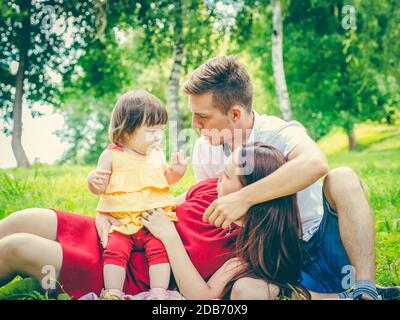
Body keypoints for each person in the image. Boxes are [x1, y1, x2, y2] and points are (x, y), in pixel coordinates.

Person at [184, 55, 379, 299]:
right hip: (272, 261)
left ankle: (365, 289)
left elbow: (315, 163)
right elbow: (202, 203)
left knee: (343, 178)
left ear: (234, 114)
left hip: (322, 245)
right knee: (248, 291)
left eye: (202, 117)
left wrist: (244, 198)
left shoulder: (278, 132)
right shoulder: (204, 148)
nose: (194, 125)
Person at [86, 90, 188, 299]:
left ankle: (158, 292)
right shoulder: (111, 155)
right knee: (114, 251)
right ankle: (113, 292)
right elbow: (100, 186)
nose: (158, 136)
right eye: (151, 130)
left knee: (159, 250)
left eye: (161, 130)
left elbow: (163, 181)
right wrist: (93, 181)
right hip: (121, 221)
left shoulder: (157, 155)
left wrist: (176, 172)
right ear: (126, 131)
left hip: (152, 220)